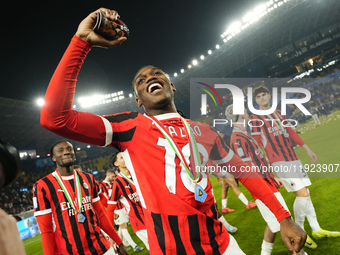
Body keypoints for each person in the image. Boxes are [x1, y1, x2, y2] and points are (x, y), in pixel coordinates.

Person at [40, 8, 307, 254]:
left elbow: (245, 173)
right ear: (138, 100)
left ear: (172, 86)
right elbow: (55, 118)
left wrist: (283, 218)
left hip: (223, 245)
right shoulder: (129, 126)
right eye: (141, 81)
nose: (150, 78)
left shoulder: (202, 130)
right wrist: (82, 42)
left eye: (157, 74)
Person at [249, 85, 340, 249]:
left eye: (264, 95)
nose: (262, 98)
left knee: (307, 193)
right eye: (258, 97)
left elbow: (291, 132)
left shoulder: (279, 113)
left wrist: (308, 149)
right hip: (279, 162)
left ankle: (316, 229)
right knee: (303, 194)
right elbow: (256, 145)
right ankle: (300, 231)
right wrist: (268, 170)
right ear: (256, 100)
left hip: (293, 158)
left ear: (269, 96)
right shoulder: (255, 118)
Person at [226, 105, 309, 255]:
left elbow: (259, 159)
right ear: (241, 115)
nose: (248, 112)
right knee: (285, 223)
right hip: (262, 188)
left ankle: (265, 253)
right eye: (245, 110)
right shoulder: (237, 138)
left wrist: (272, 176)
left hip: (267, 183)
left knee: (275, 224)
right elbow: (247, 170)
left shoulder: (244, 133)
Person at [32, 140, 127, 255]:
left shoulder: (88, 178)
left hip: (103, 248)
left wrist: (119, 242)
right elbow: (46, 231)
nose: (66, 152)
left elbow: (101, 214)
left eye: (69, 149)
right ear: (53, 157)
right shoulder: (42, 186)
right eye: (60, 150)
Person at [107, 152, 149, 251]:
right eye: (122, 158)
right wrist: (111, 233)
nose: (125, 158)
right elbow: (110, 207)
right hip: (140, 222)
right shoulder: (117, 183)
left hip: (154, 216)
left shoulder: (138, 173)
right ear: (116, 164)